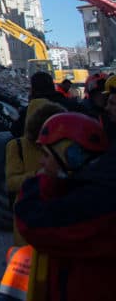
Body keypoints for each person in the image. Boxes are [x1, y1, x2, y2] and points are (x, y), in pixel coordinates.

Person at [14, 112, 115, 300]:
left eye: (46, 154)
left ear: (70, 155)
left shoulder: (97, 203)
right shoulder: (97, 184)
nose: (41, 162)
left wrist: (42, 181)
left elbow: (31, 221)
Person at [4, 99, 65, 245]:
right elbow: (11, 183)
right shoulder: (17, 146)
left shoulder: (59, 145)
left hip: (55, 213)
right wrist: (37, 175)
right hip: (27, 215)